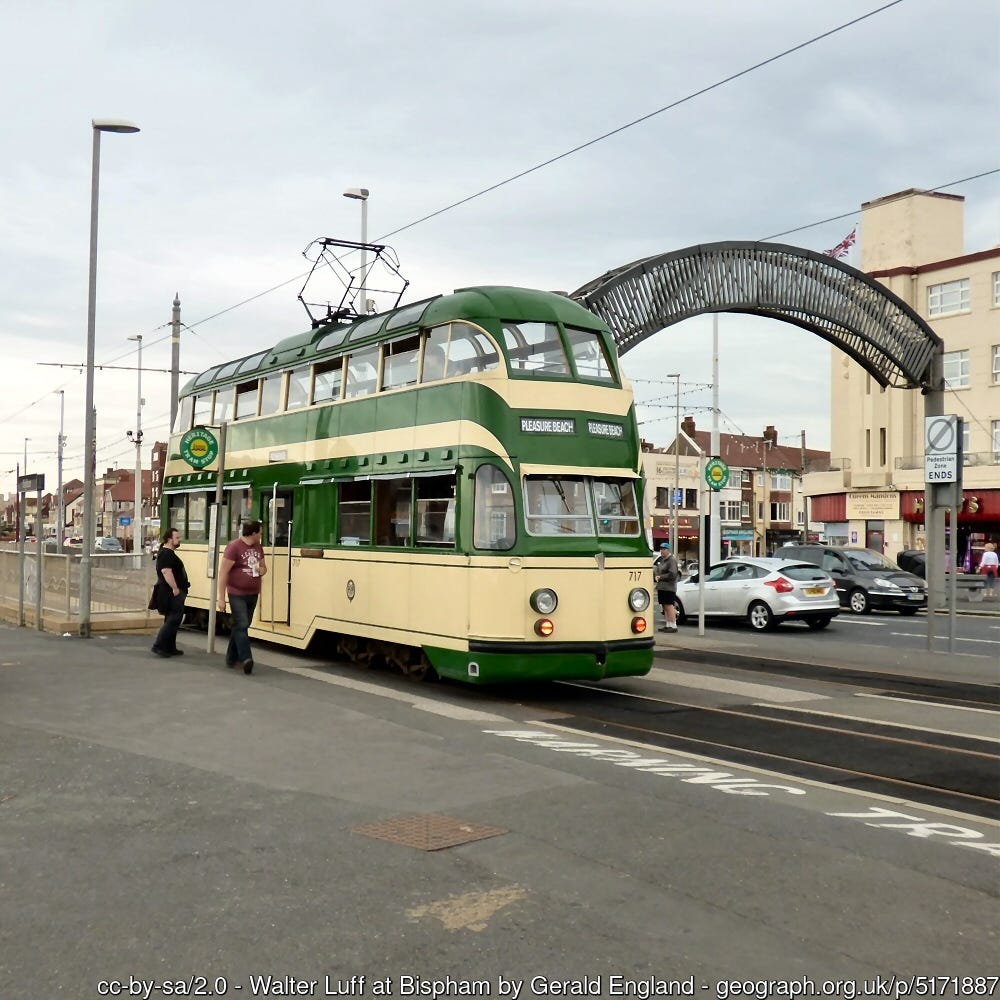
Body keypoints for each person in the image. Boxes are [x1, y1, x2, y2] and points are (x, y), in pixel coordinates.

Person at [217, 520, 267, 674]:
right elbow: (223, 572)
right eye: (260, 532)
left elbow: (264, 568)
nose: (261, 534)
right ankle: (246, 658)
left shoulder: (259, 547)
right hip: (236, 592)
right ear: (253, 533)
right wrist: (221, 597)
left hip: (253, 592)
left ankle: (231, 658)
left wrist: (261, 570)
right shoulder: (234, 547)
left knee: (241, 625)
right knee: (242, 623)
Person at [152, 527, 189, 657]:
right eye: (177, 538)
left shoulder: (167, 553)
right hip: (171, 592)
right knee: (174, 619)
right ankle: (159, 645)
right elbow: (166, 571)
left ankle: (170, 647)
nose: (179, 540)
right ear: (169, 539)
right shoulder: (166, 554)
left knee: (172, 619)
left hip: (171, 591)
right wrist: (175, 588)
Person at [654, 541, 679, 633]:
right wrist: (657, 575)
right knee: (664, 606)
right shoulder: (662, 560)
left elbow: (673, 573)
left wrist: (661, 577)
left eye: (664, 549)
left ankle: (673, 625)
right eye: (661, 549)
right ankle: (668, 624)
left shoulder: (671, 560)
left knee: (669, 605)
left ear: (668, 550)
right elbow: (657, 569)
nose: (662, 551)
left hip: (669, 587)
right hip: (662, 587)